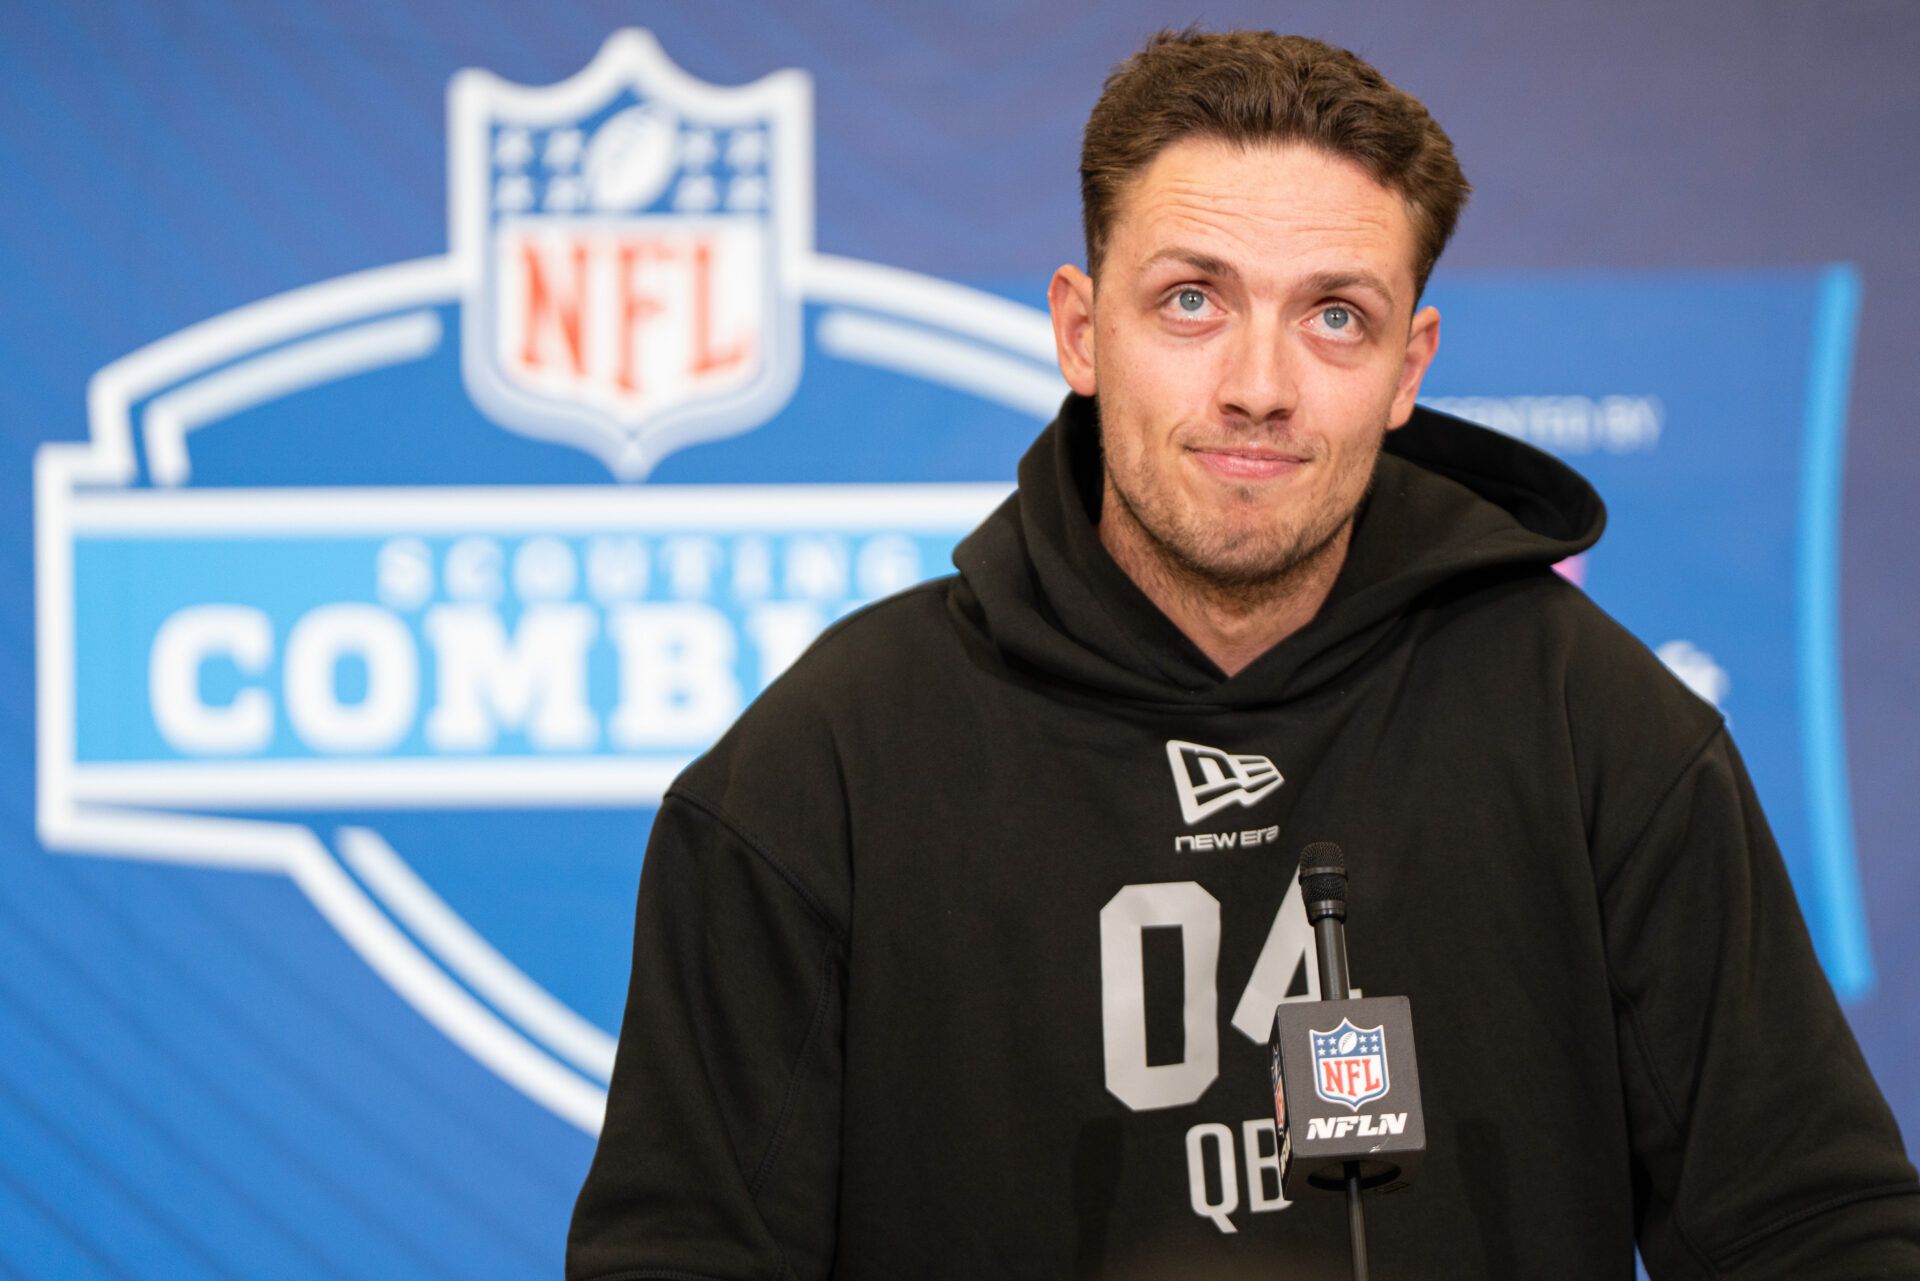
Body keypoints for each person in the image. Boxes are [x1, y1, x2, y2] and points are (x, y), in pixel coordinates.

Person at [568, 29, 1920, 1279]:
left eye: (1336, 314)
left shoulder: (1597, 727)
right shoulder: (825, 768)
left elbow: (1815, 1224)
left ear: (1409, 365)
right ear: (1081, 330)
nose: (1261, 385)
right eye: (1192, 300)